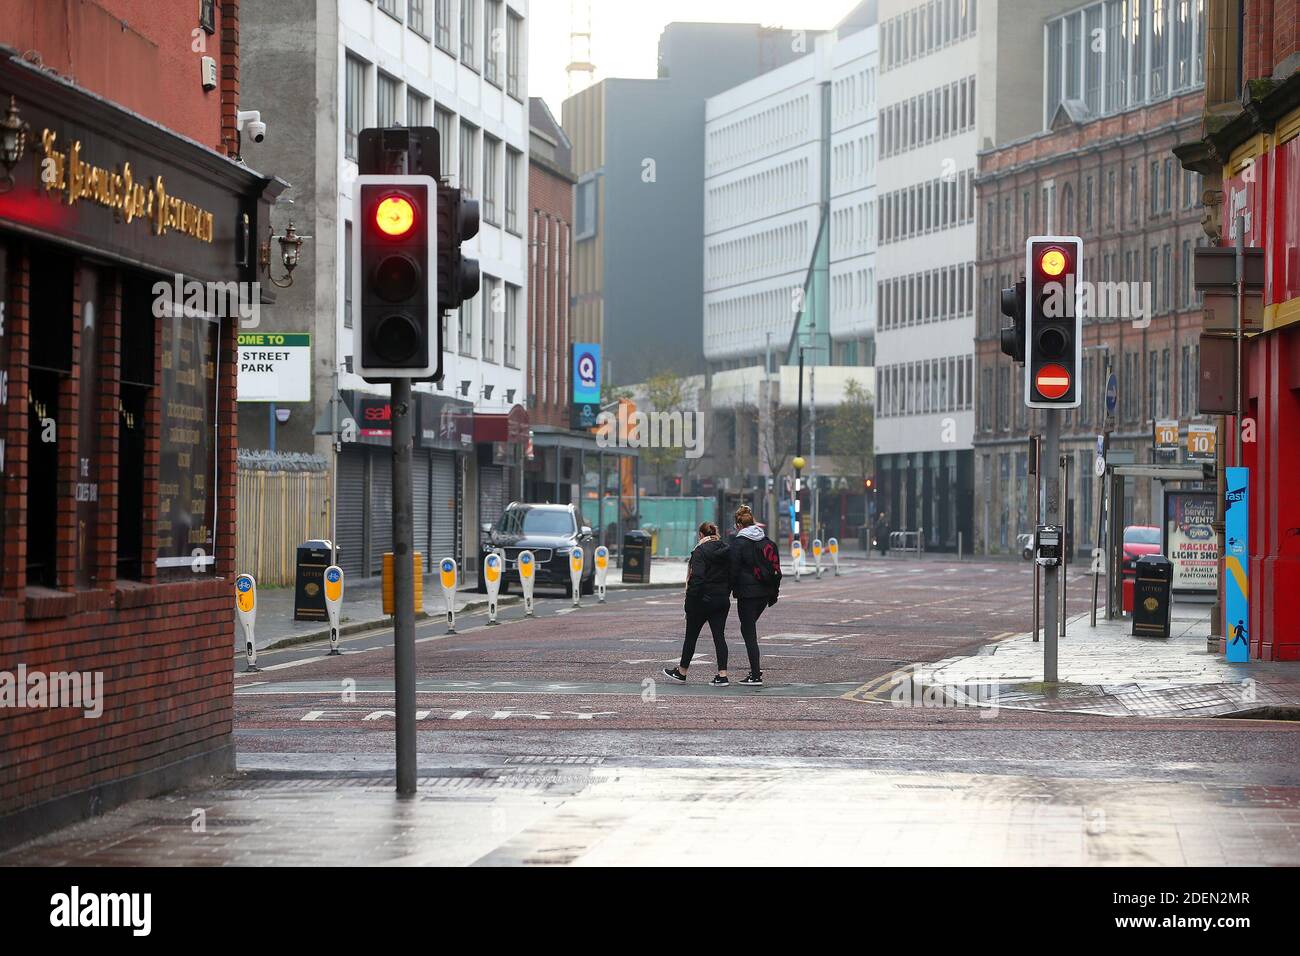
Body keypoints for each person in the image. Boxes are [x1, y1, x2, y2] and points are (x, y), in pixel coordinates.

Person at [662, 523, 732, 686]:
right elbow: (732, 574)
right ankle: (722, 675)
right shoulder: (726, 550)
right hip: (721, 599)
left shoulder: (700, 551)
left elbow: (697, 578)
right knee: (719, 637)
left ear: (701, 535)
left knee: (691, 637)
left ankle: (682, 672)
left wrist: (690, 601)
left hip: (701, 600)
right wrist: (725, 592)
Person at [728, 504, 781, 686]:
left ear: (738, 525)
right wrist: (774, 592)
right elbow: (776, 569)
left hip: (747, 594)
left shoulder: (738, 543)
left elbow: (732, 571)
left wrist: (727, 591)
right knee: (747, 629)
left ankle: (756, 674)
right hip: (765, 593)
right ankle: (755, 671)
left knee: (749, 632)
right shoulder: (766, 541)